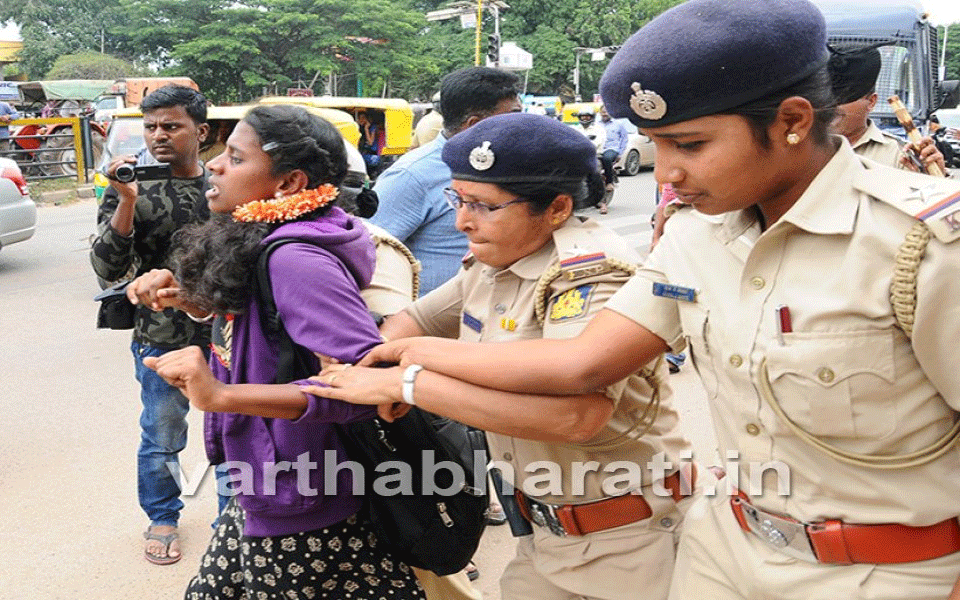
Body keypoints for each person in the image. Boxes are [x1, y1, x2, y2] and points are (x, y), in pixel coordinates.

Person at [341, 1, 960, 598]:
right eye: (654, 144)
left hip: (893, 572)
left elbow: (579, 400)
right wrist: (409, 361)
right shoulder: (697, 233)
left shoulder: (921, 245)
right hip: (726, 552)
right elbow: (583, 362)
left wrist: (413, 372)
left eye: (689, 145)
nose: (664, 173)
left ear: (793, 121)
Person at [306, 112, 696, 600]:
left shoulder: (587, 273)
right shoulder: (495, 261)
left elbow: (575, 415)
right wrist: (356, 358)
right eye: (459, 199)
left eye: (484, 206)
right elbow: (412, 324)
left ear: (555, 209)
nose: (461, 220)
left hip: (630, 540)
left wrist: (408, 378)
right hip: (545, 533)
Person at [128, 104, 425, 599]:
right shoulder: (269, 238)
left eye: (236, 158)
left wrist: (223, 395)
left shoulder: (295, 259)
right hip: (266, 481)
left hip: (303, 497)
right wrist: (193, 303)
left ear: (287, 185)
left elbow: (367, 389)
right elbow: (270, 330)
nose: (216, 164)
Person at [89, 84, 211, 566]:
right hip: (160, 337)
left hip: (224, 333)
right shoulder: (131, 182)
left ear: (200, 132)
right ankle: (162, 516)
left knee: (234, 425)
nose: (158, 135)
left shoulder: (223, 182)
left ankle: (232, 515)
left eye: (171, 126)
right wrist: (124, 201)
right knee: (162, 431)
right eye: (151, 126)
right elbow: (107, 266)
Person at [370, 66, 522, 295]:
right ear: (474, 125)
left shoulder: (509, 165)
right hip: (433, 324)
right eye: (513, 117)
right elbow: (368, 256)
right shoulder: (411, 176)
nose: (522, 126)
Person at [829, 45, 947, 174]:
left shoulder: (900, 154)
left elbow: (926, 192)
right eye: (822, 98)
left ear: (871, 101)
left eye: (843, 98)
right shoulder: (807, 148)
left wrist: (934, 175)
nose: (830, 106)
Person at [598, 106, 628, 192]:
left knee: (606, 158)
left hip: (611, 148)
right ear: (600, 113)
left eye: (607, 112)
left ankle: (609, 182)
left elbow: (624, 139)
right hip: (598, 148)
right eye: (603, 112)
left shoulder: (618, 124)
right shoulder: (596, 124)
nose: (605, 114)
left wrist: (620, 153)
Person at [356, 110, 385, 177]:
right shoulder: (360, 128)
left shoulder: (372, 127)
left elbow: (370, 142)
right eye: (359, 118)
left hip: (372, 154)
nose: (361, 120)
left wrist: (366, 129)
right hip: (365, 152)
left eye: (363, 118)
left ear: (367, 119)